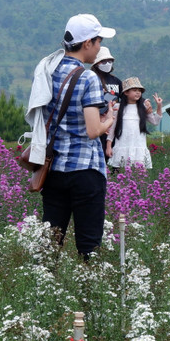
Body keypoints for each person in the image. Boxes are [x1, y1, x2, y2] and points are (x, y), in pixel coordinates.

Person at [42, 14, 119, 259]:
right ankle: (89, 281)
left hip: (53, 169)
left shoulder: (49, 71)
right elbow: (93, 130)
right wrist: (109, 118)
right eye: (98, 42)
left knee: (50, 243)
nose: (99, 48)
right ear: (87, 43)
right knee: (89, 245)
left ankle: (44, 280)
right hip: (85, 169)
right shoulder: (88, 77)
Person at [108, 77, 163, 170]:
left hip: (139, 147)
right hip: (122, 146)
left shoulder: (143, 108)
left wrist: (159, 106)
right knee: (119, 173)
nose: (138, 93)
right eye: (134, 90)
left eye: (139, 91)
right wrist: (108, 146)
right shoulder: (118, 108)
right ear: (126, 92)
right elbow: (112, 128)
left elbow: (155, 121)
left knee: (140, 174)